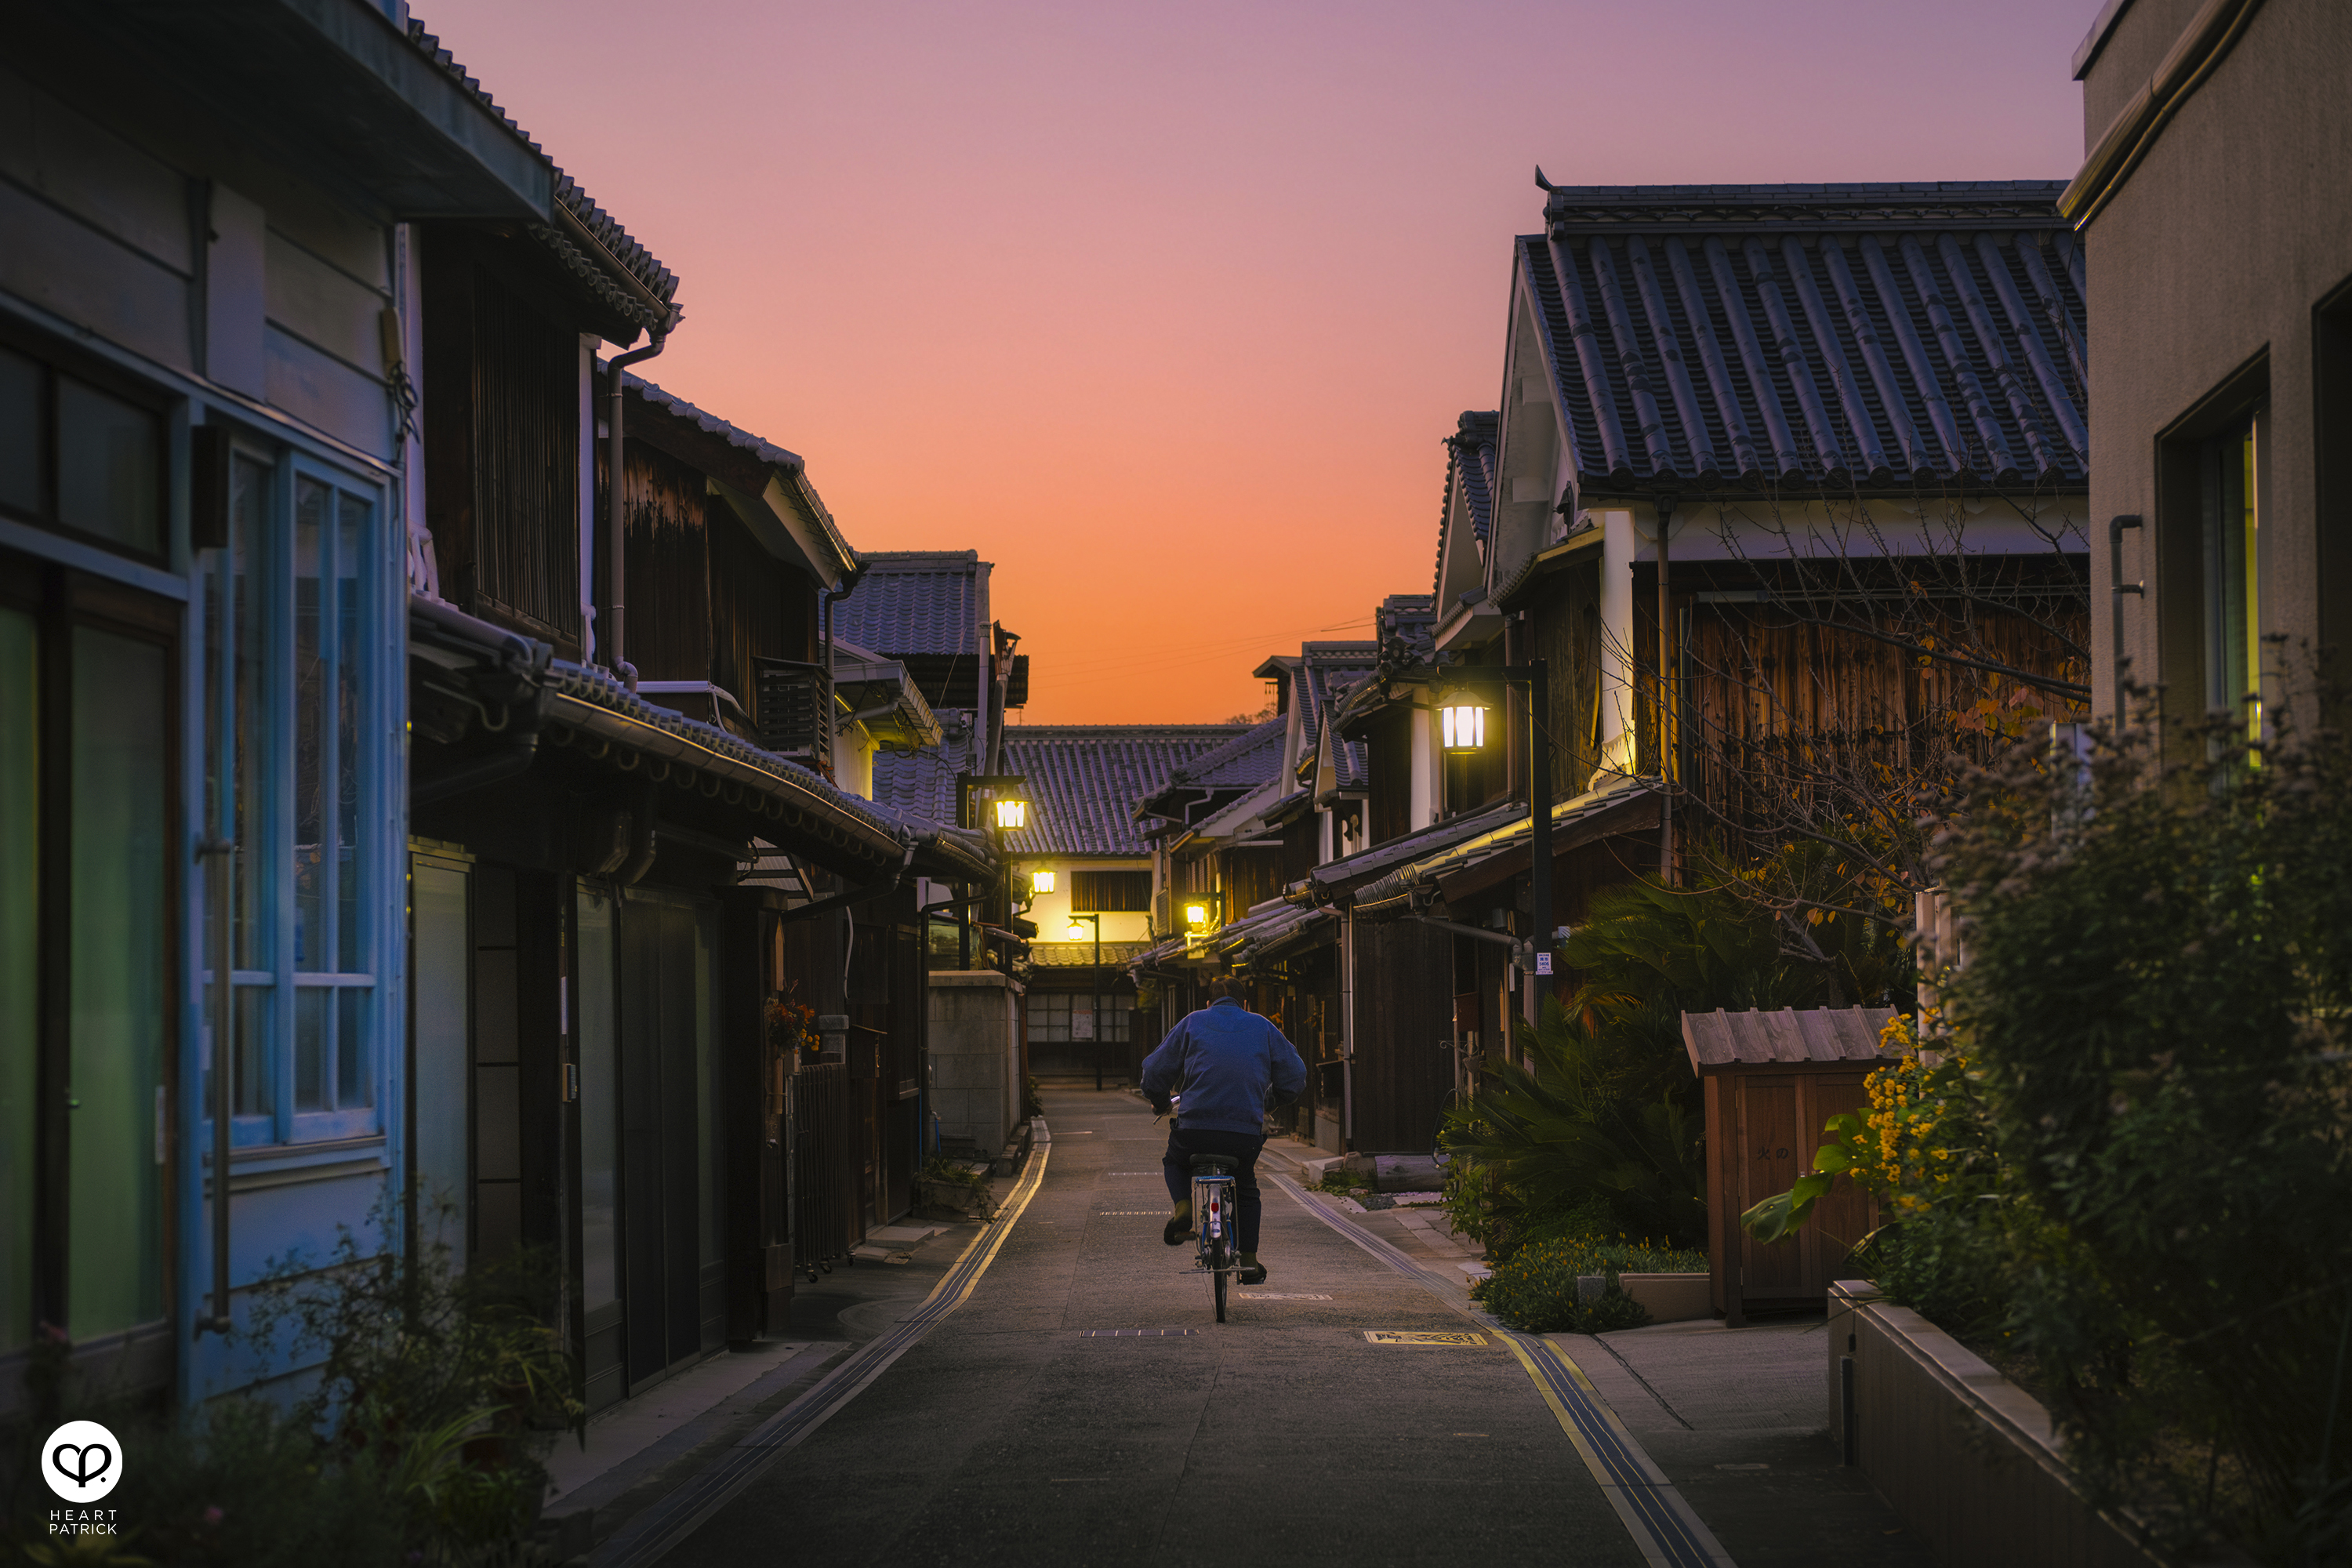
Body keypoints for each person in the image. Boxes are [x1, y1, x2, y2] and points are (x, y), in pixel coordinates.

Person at [1138, 975, 1306, 1286]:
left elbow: (1154, 1072)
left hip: (1195, 1131)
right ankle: (1251, 1261)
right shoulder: (1262, 1026)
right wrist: (1269, 1100)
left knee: (1175, 1161)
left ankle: (1184, 1207)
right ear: (1245, 1004)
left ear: (1208, 1003)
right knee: (1245, 1185)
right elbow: (1295, 1077)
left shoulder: (1192, 1023)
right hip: (1243, 1135)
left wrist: (1161, 1101)